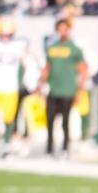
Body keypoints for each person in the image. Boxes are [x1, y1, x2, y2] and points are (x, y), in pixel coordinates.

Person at [37, 18, 88, 157]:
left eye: (64, 28)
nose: (62, 31)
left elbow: (83, 70)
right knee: (50, 120)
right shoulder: (52, 48)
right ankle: (49, 149)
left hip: (68, 90)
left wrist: (80, 90)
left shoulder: (74, 49)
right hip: (53, 89)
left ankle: (65, 149)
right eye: (60, 28)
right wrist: (40, 85)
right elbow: (46, 69)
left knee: (65, 122)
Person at [0, 16, 29, 157]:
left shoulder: (19, 46)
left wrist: (25, 81)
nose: (5, 37)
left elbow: (26, 64)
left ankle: (6, 144)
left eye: (8, 34)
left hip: (11, 87)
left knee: (9, 118)